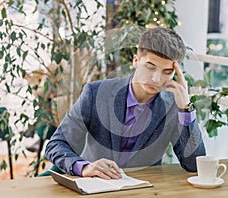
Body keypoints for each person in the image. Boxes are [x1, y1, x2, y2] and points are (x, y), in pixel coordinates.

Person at [45, 27, 206, 180]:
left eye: (167, 72)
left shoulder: (173, 106)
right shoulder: (95, 93)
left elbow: (194, 165)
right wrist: (85, 167)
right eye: (150, 67)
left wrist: (186, 108)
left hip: (144, 192)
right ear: (136, 60)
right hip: (93, 188)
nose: (156, 79)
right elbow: (56, 144)